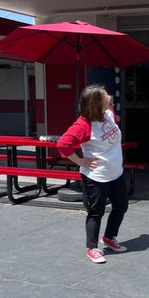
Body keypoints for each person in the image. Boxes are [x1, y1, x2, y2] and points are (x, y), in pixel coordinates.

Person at [56, 84, 128, 265]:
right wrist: (81, 162)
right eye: (105, 96)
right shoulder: (83, 125)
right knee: (96, 212)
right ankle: (92, 248)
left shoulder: (109, 114)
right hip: (96, 176)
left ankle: (110, 237)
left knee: (121, 207)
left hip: (116, 172)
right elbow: (62, 144)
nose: (109, 97)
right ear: (96, 103)